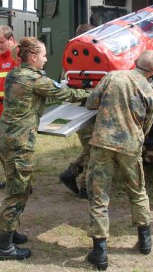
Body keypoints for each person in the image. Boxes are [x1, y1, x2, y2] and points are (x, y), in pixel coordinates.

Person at [0, 37, 90, 261]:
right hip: (19, 143)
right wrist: (93, 93)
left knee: (19, 187)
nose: (47, 59)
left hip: (4, 139)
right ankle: (4, 247)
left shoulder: (14, 74)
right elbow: (68, 95)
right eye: (44, 55)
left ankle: (11, 231)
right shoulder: (36, 80)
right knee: (16, 193)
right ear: (34, 57)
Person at [85, 49, 153, 271]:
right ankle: (145, 242)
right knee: (137, 192)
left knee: (99, 197)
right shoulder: (151, 92)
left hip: (103, 144)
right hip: (130, 147)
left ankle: (100, 254)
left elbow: (91, 102)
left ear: (135, 62)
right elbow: (147, 126)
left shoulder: (113, 76)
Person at [59, 23, 96, 199]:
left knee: (91, 147)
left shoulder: (70, 57)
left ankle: (71, 173)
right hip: (88, 107)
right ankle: (86, 188)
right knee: (93, 148)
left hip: (79, 108)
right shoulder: (90, 58)